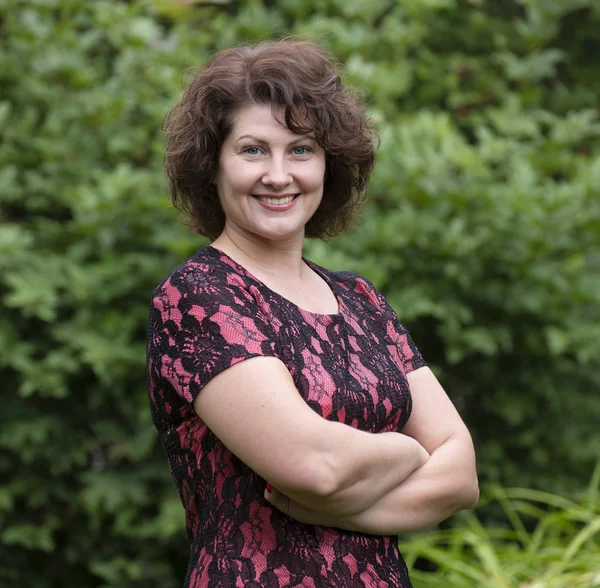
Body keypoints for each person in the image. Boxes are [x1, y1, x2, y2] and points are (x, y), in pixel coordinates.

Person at [146, 39, 479, 588]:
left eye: (301, 149)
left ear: (330, 164)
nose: (279, 175)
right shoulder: (201, 298)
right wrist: (406, 449)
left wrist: (347, 511)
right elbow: (315, 468)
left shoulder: (362, 300)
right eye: (253, 150)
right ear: (212, 166)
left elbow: (461, 475)